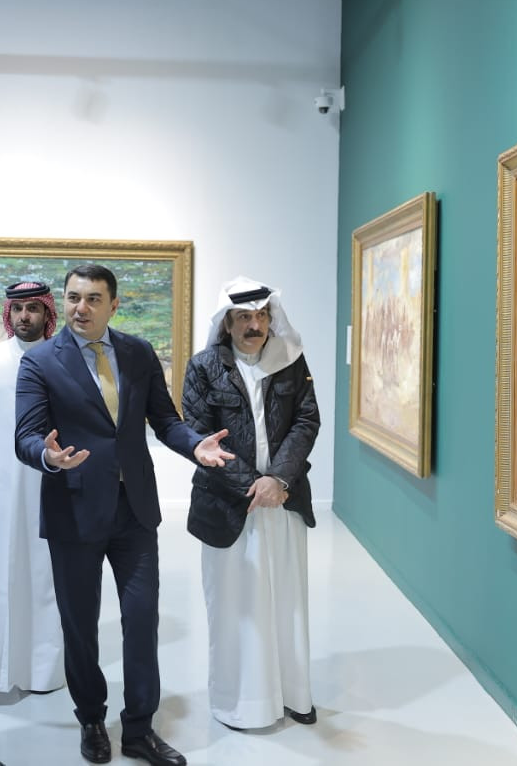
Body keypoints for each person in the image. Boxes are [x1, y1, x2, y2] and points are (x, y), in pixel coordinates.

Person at [15, 264, 234, 766]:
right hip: (73, 511)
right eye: (73, 297)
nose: (81, 308)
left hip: (134, 510)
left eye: (93, 299)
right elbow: (25, 436)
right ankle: (91, 718)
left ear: (113, 305)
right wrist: (48, 456)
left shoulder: (137, 352)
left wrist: (195, 445)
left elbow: (166, 421)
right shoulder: (40, 361)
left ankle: (139, 728)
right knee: (79, 625)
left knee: (141, 619)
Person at [182, 277, 320, 730]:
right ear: (227, 323)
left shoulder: (291, 361)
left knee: (287, 601)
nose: (254, 325)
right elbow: (200, 436)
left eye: (261, 315)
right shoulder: (203, 367)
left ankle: (294, 694)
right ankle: (240, 701)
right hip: (228, 504)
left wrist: (277, 479)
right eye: (244, 317)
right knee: (235, 606)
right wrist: (253, 485)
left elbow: (306, 420)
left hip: (283, 500)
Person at [0, 280, 65, 698]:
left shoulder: (65, 359)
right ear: (8, 314)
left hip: (50, 481)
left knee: (46, 576)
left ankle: (43, 672)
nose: (25, 316)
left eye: (33, 308)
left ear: (47, 313)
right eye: (18, 308)